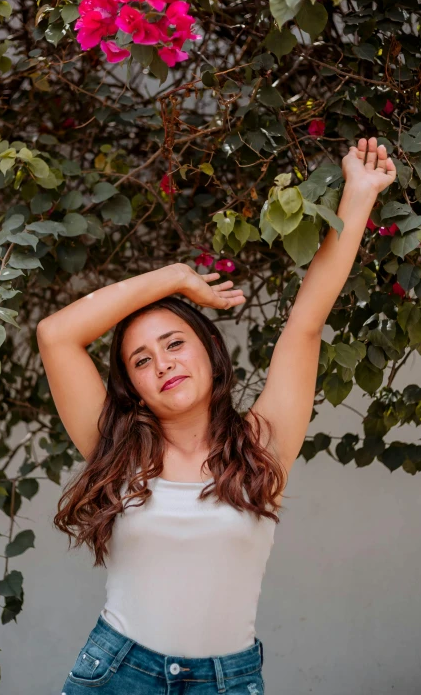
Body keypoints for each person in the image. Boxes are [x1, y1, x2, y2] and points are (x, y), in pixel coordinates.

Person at [37, 137, 396, 694]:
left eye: (175, 343)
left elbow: (306, 319)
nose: (163, 364)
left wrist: (359, 194)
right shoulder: (116, 450)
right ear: (131, 386)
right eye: (141, 360)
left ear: (209, 349)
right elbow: (56, 335)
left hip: (226, 681)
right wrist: (176, 277)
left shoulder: (262, 444)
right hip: (118, 675)